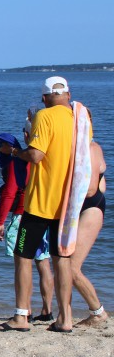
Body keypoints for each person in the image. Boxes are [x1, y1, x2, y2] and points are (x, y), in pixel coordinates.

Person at [0, 76, 90, 333]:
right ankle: (65, 318)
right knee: (61, 259)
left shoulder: (44, 116)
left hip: (41, 202)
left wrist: (14, 152)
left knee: (23, 256)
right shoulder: (81, 119)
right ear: (68, 94)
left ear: (44, 98)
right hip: (68, 202)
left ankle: (21, 316)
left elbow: (36, 155)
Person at [0, 132, 53, 321]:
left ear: (7, 146)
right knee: (43, 262)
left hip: (22, 215)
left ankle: (25, 311)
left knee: (22, 264)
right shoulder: (35, 158)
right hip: (43, 213)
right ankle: (47, 311)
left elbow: (9, 193)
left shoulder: (14, 163)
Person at [73, 131, 107, 328]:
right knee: (63, 265)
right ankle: (61, 313)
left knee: (71, 268)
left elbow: (92, 189)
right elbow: (103, 185)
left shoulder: (91, 147)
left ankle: (98, 312)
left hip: (90, 207)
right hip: (82, 208)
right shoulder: (83, 146)